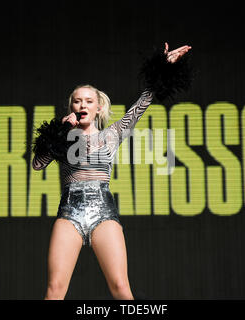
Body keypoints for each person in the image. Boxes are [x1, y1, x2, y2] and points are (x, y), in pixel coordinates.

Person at [32, 42, 192, 300]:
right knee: (54, 290)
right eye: (76, 101)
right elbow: (37, 164)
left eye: (88, 101)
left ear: (98, 108)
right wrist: (59, 131)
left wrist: (164, 66)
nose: (82, 104)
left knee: (120, 286)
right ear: (71, 107)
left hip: (103, 211)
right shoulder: (62, 137)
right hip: (69, 211)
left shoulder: (113, 134)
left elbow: (143, 102)